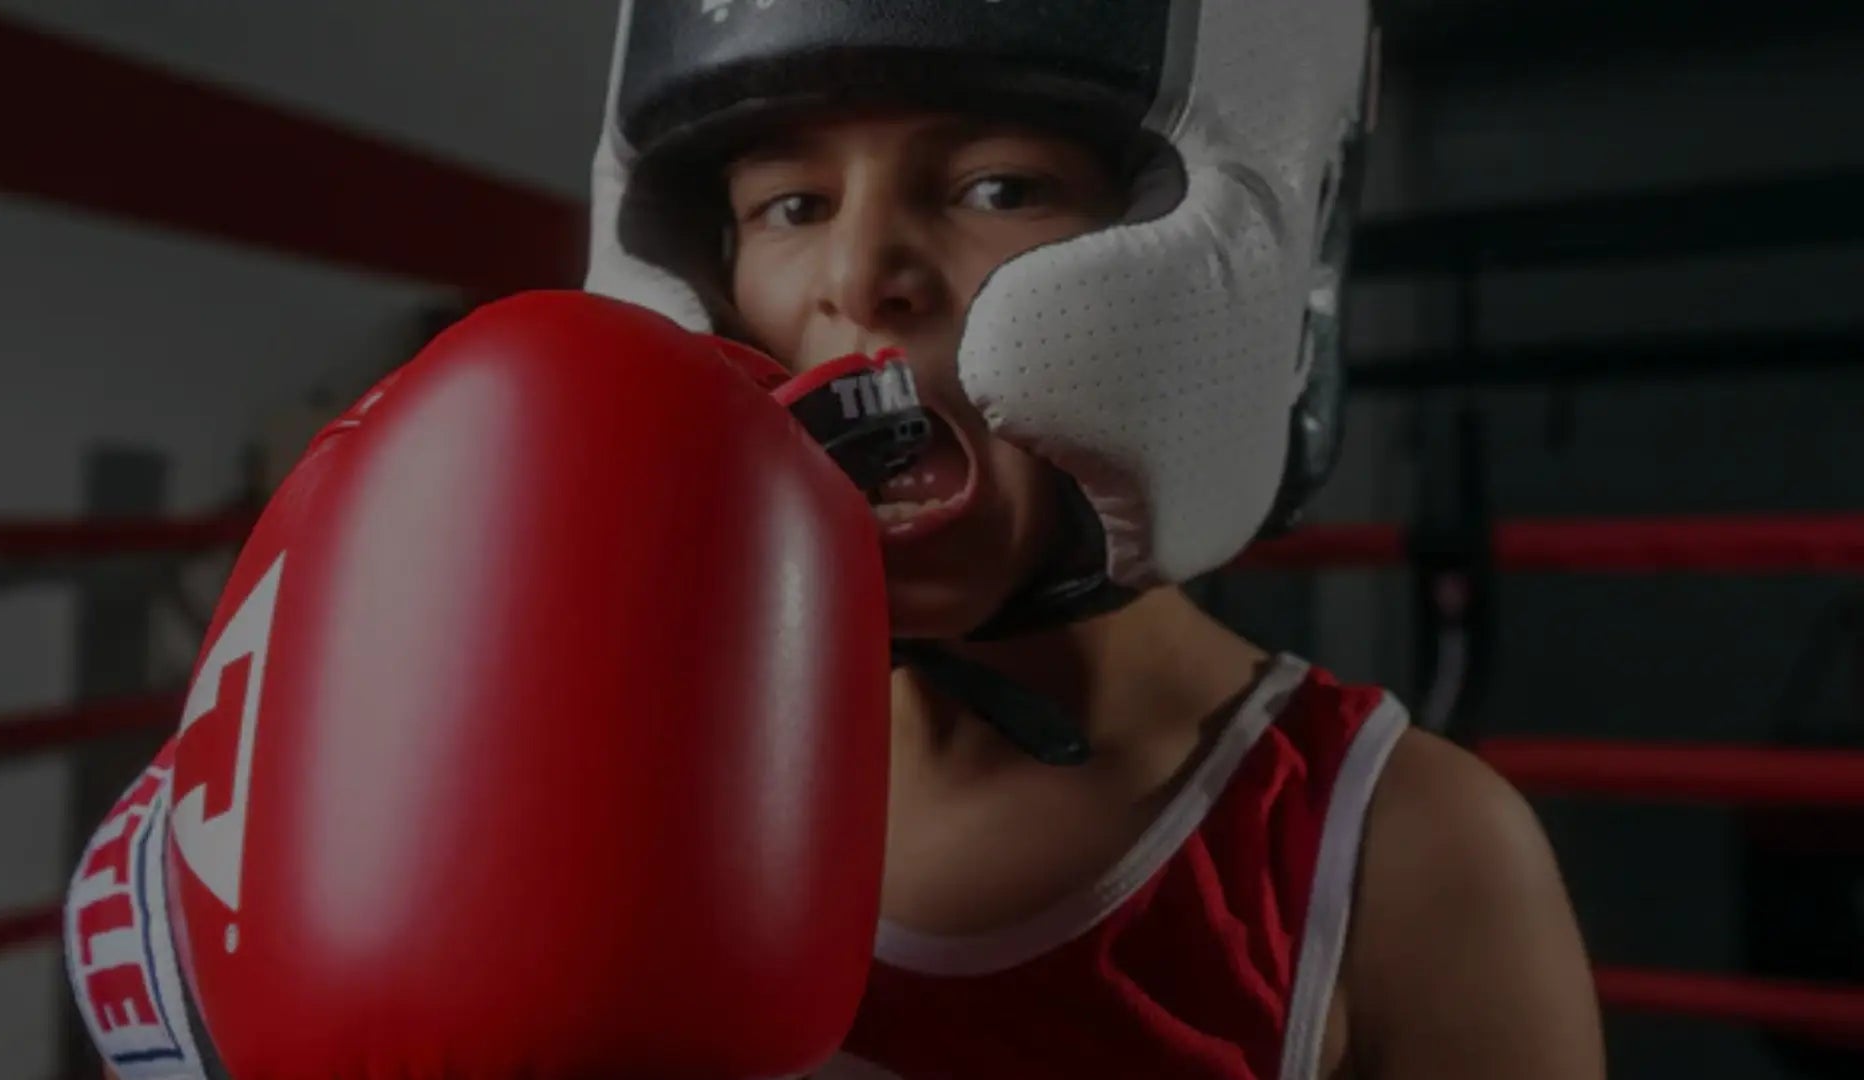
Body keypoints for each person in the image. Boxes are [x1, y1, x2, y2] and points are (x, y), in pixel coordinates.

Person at [583, 1, 1606, 1077]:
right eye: (793, 204)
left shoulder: (1401, 854)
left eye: (1001, 188)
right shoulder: (646, 777)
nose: (860, 275)